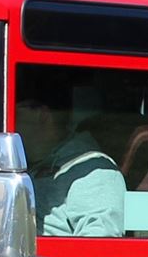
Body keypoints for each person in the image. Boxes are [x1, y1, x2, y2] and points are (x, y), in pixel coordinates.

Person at [16, 73, 128, 237]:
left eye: (14, 112)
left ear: (41, 114)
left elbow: (100, 248)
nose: (9, 122)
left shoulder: (91, 172)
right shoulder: (32, 165)